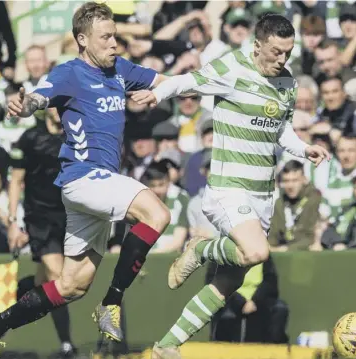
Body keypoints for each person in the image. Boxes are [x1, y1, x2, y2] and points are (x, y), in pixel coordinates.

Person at [0, 3, 171, 358]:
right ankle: (112, 302)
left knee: (72, 286)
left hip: (95, 187)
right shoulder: (69, 74)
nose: (114, 43)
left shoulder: (120, 69)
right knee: (158, 214)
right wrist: (25, 105)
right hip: (85, 178)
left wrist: (164, 91)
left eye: (115, 36)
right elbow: (37, 97)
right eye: (105, 37)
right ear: (82, 39)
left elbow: (166, 81)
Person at [131, 13, 330, 358]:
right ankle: (200, 248)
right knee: (256, 252)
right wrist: (157, 93)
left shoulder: (288, 83)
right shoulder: (232, 69)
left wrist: (304, 148)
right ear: (257, 46)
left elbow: (281, 130)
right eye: (275, 52)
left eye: (288, 52)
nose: (282, 60)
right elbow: (185, 81)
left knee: (229, 282)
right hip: (228, 188)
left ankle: (167, 345)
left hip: (262, 194)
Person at [7, 108, 76, 357]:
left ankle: (23, 290)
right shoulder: (29, 139)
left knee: (44, 282)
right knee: (59, 279)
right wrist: (13, 221)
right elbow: (15, 180)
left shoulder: (79, 134)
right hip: (40, 219)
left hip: (71, 216)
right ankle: (67, 343)